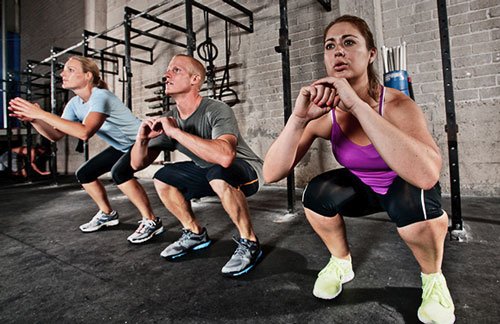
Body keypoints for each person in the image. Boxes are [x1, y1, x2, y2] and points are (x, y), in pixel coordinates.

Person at [263, 15, 455, 324]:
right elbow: (271, 173)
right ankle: (340, 262)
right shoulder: (325, 115)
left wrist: (358, 106)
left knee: (414, 205)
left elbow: (426, 174)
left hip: (403, 184)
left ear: (371, 54)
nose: (338, 51)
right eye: (330, 45)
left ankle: (433, 280)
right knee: (315, 193)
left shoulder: (396, 104)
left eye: (349, 42)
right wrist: (298, 119)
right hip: (365, 187)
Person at [130, 54, 264, 277]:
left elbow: (225, 157)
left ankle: (250, 242)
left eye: (176, 70)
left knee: (219, 171)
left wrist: (175, 132)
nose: (166, 75)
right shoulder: (170, 118)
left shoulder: (216, 109)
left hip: (247, 172)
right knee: (163, 175)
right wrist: (142, 139)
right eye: (167, 70)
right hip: (210, 172)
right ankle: (194, 233)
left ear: (195, 79)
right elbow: (136, 164)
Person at [8, 56, 163, 244]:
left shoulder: (101, 95)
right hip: (121, 146)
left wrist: (41, 113)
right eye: (64, 70)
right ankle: (108, 214)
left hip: (144, 141)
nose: (62, 74)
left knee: (120, 172)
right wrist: (35, 120)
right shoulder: (74, 104)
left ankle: (151, 221)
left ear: (88, 76)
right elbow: (55, 135)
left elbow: (84, 132)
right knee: (85, 173)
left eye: (70, 70)